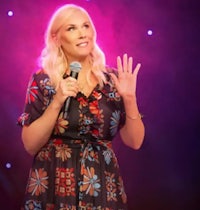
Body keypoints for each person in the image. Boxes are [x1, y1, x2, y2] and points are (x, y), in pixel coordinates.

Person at [18, 3, 145, 210]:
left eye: (86, 26)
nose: (82, 34)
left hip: (101, 186)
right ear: (56, 38)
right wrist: (57, 101)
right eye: (71, 28)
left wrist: (129, 99)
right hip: (53, 184)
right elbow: (30, 145)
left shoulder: (112, 80)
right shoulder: (43, 81)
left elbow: (135, 141)